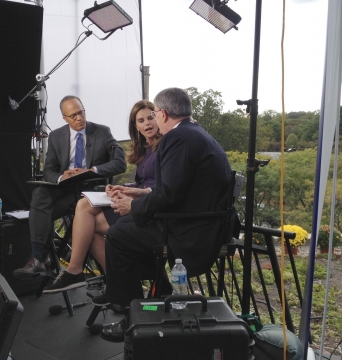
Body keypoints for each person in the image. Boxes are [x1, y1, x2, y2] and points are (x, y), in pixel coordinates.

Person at [97, 87, 231, 343]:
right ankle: (158, 293)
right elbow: (174, 190)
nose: (154, 119)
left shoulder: (177, 138)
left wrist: (132, 207)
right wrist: (137, 200)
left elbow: (169, 194)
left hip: (190, 231)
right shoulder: (195, 133)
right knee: (127, 226)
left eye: (155, 113)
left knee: (117, 235)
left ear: (165, 114)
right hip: (199, 222)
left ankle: (130, 316)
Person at [42, 99, 161, 293]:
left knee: (86, 223)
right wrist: (121, 187)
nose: (147, 123)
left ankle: (101, 278)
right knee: (83, 210)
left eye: (150, 118)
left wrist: (93, 171)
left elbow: (155, 186)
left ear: (160, 117)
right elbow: (142, 182)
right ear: (136, 127)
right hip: (127, 195)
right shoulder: (146, 149)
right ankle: (120, 282)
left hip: (145, 205)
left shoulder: (164, 146)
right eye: (141, 121)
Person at [13, 95, 127, 278]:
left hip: (91, 189)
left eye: (81, 113)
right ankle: (37, 258)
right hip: (67, 187)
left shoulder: (102, 132)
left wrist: (92, 169)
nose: (79, 118)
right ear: (64, 118)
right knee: (40, 195)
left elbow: (120, 164)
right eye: (73, 115)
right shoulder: (56, 136)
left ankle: (45, 259)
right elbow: (48, 170)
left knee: (42, 211)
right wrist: (61, 176)